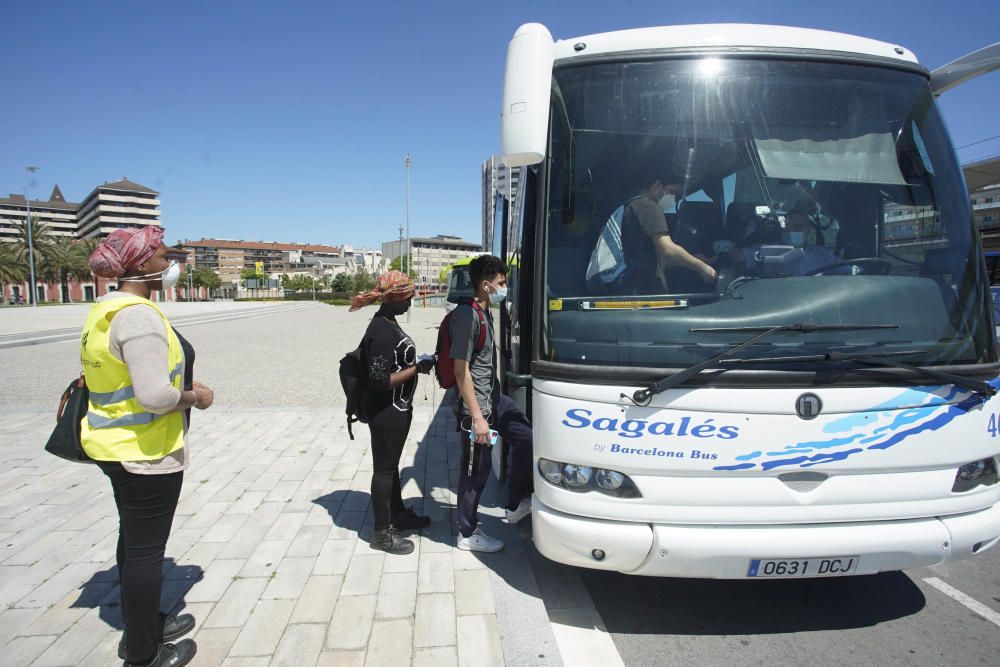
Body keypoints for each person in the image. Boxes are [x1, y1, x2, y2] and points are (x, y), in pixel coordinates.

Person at [83, 226, 213, 667]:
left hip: (113, 442)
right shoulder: (138, 315)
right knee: (145, 553)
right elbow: (154, 396)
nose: (168, 262)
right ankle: (143, 652)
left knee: (133, 542)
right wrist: (196, 397)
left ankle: (142, 625)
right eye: (161, 255)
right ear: (140, 266)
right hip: (145, 450)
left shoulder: (105, 308)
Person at [451, 255, 533, 552]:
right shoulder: (466, 316)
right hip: (477, 408)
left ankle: (515, 505)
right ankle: (467, 532)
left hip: (495, 399)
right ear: (485, 286)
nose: (505, 288)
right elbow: (461, 371)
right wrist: (477, 417)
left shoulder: (486, 311)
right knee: (476, 471)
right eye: (501, 283)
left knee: (527, 438)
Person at [351, 270, 433, 555]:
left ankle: (396, 514)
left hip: (396, 411)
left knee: (390, 466)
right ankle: (381, 534)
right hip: (387, 414)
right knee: (384, 471)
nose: (411, 302)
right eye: (408, 297)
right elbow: (379, 381)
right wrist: (417, 368)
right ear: (396, 297)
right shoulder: (382, 332)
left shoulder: (386, 322)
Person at [620, 166, 717, 293]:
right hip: (644, 298)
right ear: (658, 186)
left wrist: (692, 259)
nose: (673, 198)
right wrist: (703, 268)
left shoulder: (629, 207)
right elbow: (668, 250)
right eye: (672, 192)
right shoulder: (648, 206)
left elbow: (659, 260)